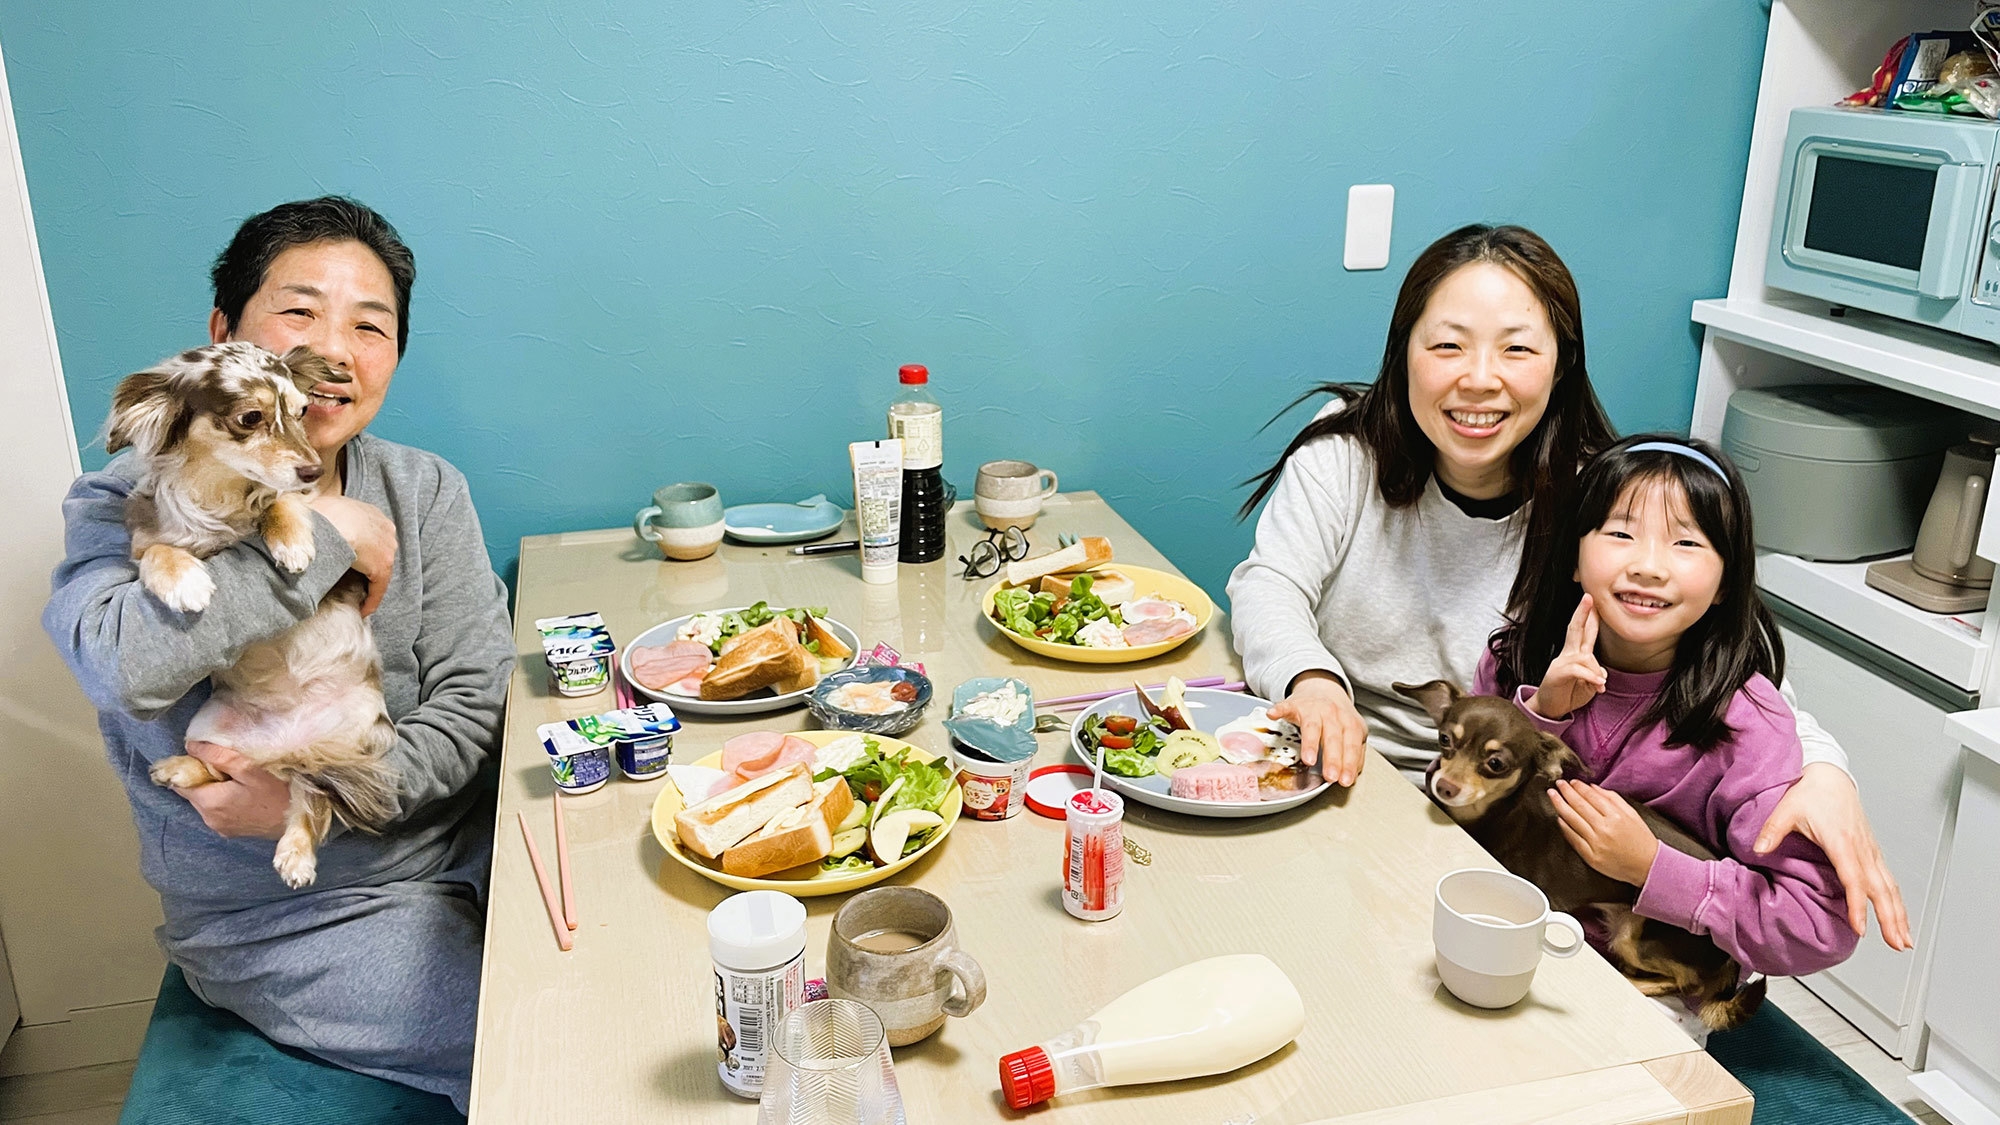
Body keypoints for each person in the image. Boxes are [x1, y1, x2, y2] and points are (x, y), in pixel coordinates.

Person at [1227, 223, 1910, 949]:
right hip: (1338, 775)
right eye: (1448, 344)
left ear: (1561, 365)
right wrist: (1313, 680)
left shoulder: (1603, 507)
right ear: (1403, 355)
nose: (1480, 378)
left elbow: (1722, 668)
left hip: (1493, 833)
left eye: (1517, 348)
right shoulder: (1345, 452)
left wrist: (1827, 771)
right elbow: (1271, 584)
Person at [43, 196, 514, 1110]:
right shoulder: (121, 500)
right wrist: (326, 534)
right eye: (300, 311)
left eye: (369, 325)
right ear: (226, 334)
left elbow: (475, 701)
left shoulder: (423, 488)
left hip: (463, 841)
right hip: (294, 916)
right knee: (533, 1040)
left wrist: (336, 795)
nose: (333, 350)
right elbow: (119, 664)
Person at [1476, 435, 1858, 1031]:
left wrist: (1652, 866)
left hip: (1644, 993)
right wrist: (1541, 719)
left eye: (1685, 542)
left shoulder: (1746, 728)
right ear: (1574, 555)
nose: (1648, 565)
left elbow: (1820, 928)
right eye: (1621, 533)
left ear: (1728, 579)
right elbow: (1470, 824)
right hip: (1511, 942)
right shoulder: (1516, 661)